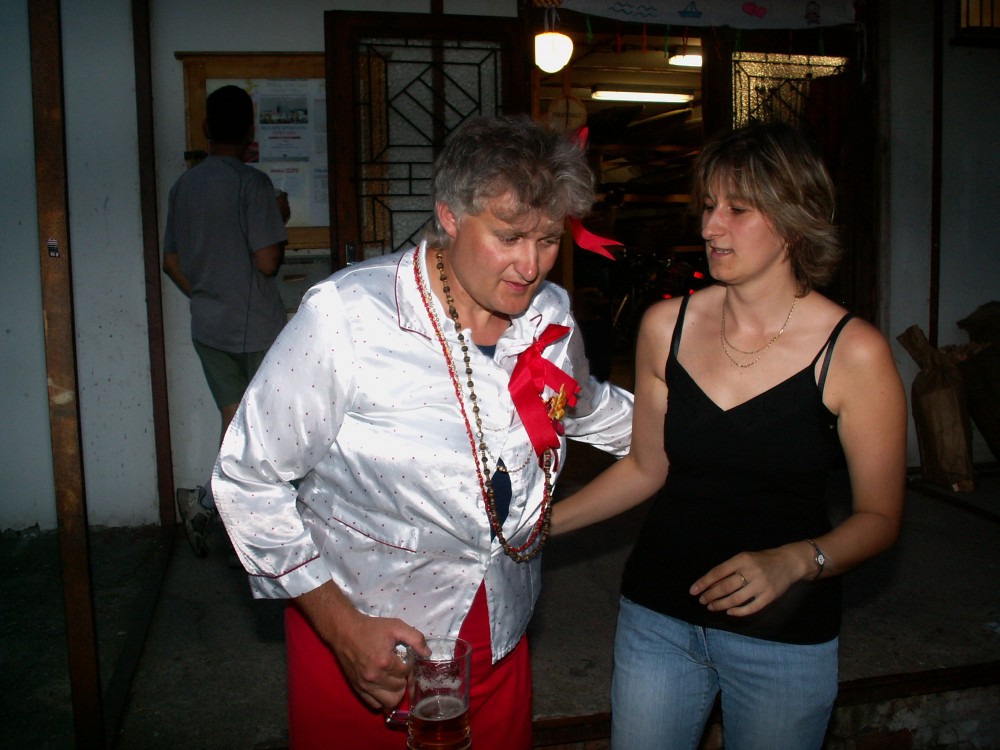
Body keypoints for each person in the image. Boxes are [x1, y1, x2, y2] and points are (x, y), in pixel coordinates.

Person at [211, 114, 634, 750]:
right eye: (509, 236)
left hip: (497, 629)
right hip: (370, 643)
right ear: (450, 216)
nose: (530, 265)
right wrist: (341, 627)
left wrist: (705, 419)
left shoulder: (548, 315)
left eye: (548, 240)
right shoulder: (352, 316)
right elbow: (246, 478)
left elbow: (586, 407)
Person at [552, 120, 907, 749]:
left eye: (737, 209)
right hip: (658, 614)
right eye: (709, 206)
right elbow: (647, 468)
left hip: (783, 635)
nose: (710, 227)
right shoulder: (666, 326)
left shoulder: (852, 352)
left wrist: (796, 560)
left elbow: (880, 518)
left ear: (794, 220)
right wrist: (538, 527)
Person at [163, 84, 289, 557]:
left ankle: (214, 508)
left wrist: (206, 291)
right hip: (252, 327)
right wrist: (278, 217)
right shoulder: (253, 185)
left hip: (210, 324)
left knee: (238, 422)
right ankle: (225, 514)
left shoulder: (184, 186)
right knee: (263, 428)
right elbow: (267, 262)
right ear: (250, 130)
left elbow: (171, 261)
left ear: (206, 128)